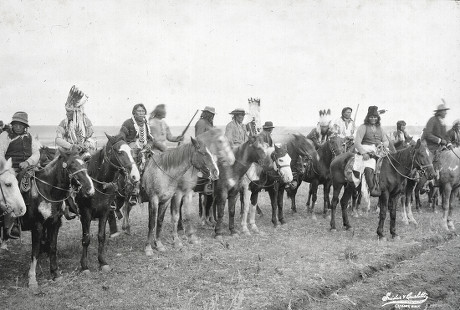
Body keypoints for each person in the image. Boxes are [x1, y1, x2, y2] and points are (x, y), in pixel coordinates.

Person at [354, 106, 390, 197]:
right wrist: (364, 153)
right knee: (368, 165)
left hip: (378, 150)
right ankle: (372, 188)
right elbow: (357, 143)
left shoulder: (380, 128)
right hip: (366, 150)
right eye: (371, 117)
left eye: (375, 117)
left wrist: (383, 145)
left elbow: (386, 140)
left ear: (378, 118)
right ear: (368, 117)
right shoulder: (363, 127)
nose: (373, 119)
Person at [55, 86, 96, 153]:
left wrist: (86, 144)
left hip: (84, 151)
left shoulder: (86, 122)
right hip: (68, 152)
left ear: (76, 113)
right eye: (66, 111)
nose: (66, 114)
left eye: (68, 112)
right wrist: (71, 146)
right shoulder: (63, 123)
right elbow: (58, 139)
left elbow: (92, 138)